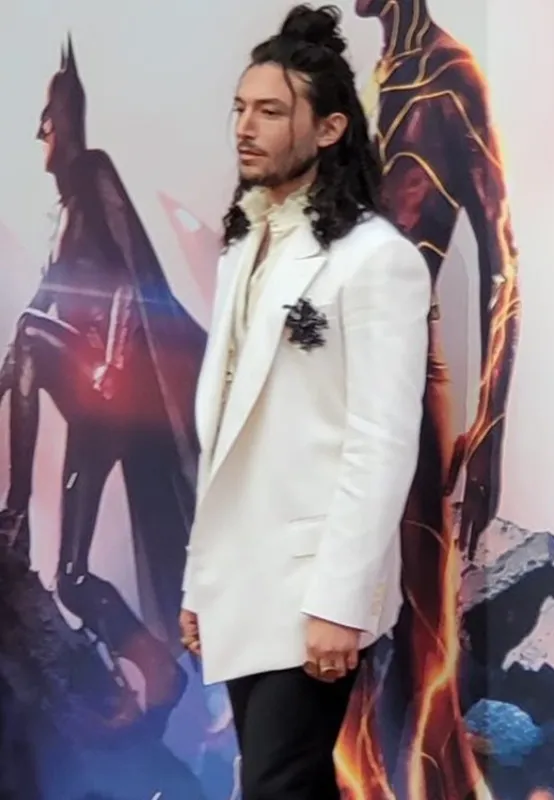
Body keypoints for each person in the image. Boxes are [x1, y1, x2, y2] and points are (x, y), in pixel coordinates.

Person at [180, 4, 430, 798]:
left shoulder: (377, 259)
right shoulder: (243, 246)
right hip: (241, 581)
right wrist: (199, 584)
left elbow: (381, 442)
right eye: (240, 109)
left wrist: (340, 603)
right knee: (280, 782)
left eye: (269, 111)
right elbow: (226, 435)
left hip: (313, 586)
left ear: (328, 129)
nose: (244, 128)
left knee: (279, 783)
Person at [0, 37, 206, 731]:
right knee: (71, 577)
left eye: (47, 117)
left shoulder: (93, 174)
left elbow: (130, 278)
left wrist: (113, 358)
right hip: (96, 408)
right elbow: (33, 324)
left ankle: (14, 512)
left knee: (31, 332)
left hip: (118, 386)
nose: (40, 131)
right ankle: (158, 672)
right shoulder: (60, 215)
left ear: (67, 121)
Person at [346, 1, 520, 796]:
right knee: (339, 601)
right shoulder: (375, 76)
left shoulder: (448, 80)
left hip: (407, 373)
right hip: (336, 373)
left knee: (419, 616)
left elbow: (502, 262)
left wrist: (490, 427)